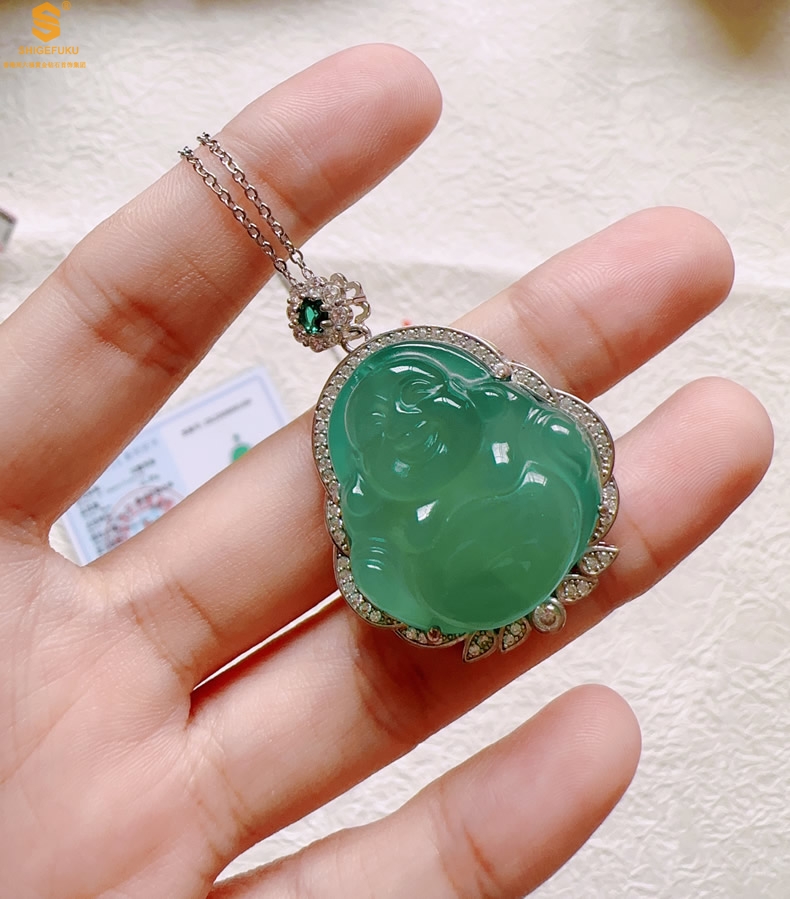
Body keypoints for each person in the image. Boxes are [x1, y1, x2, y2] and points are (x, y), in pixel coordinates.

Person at [0, 44, 772, 898]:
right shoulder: (378, 506)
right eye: (385, 432)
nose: (409, 422)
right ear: (360, 466)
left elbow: (556, 431)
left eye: (424, 403)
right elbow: (370, 560)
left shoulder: (513, 430)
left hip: (538, 513)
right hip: (456, 569)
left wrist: (537, 460)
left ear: (471, 394)